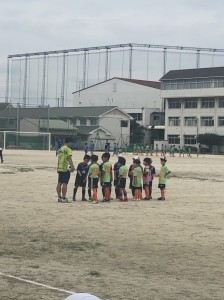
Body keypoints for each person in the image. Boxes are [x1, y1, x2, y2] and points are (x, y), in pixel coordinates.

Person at [56, 137, 75, 203]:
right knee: (65, 183)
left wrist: (57, 167)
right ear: (69, 142)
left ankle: (59, 197)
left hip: (60, 167)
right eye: (71, 143)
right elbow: (69, 158)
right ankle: (64, 197)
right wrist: (72, 166)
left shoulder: (60, 148)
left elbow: (58, 158)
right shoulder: (68, 149)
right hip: (66, 168)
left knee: (59, 183)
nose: (71, 144)